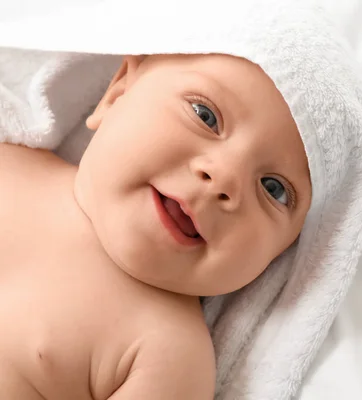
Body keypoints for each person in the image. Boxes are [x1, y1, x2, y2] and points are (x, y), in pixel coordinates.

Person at [0, 53, 311, 399]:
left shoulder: (170, 356)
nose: (224, 177)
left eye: (273, 189)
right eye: (205, 116)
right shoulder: (9, 158)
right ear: (118, 93)